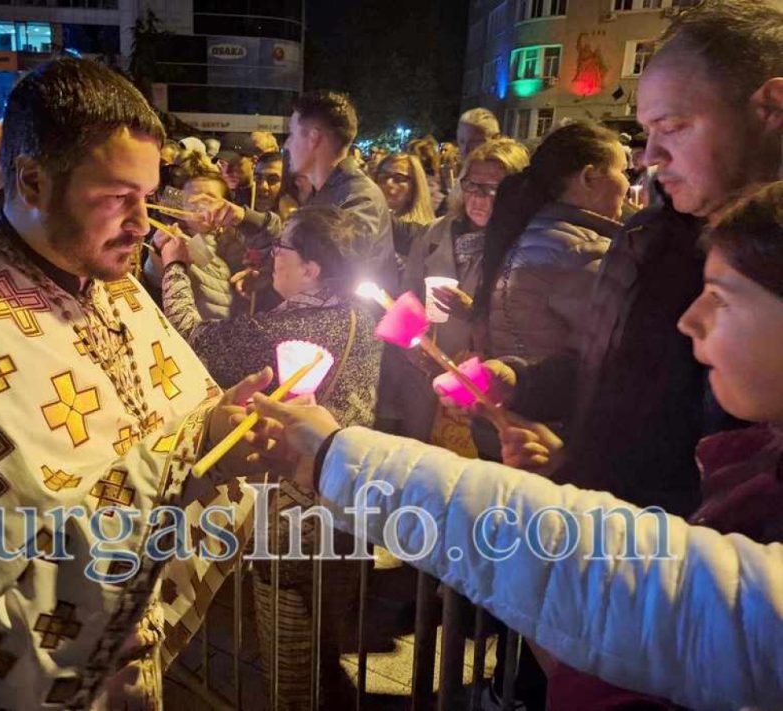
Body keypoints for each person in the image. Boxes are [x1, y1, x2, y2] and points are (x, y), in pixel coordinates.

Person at [251, 182, 783, 711]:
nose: (690, 320)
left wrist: (340, 456)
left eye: (722, 295)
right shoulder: (743, 459)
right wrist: (559, 455)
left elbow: (652, 593)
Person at [0, 56, 274, 710]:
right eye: (116, 199)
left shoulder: (116, 289)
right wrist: (197, 450)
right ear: (32, 181)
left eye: (149, 197)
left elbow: (184, 418)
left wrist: (233, 423)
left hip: (122, 661)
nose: (144, 225)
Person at [488, 0, 782, 516]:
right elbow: (610, 369)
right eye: (648, 131)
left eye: (672, 126)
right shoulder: (644, 235)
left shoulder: (764, 268)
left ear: (772, 108)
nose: (649, 157)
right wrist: (527, 386)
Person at [160, 205, 383, 707]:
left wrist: (174, 265)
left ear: (312, 270)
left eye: (282, 250)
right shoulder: (358, 313)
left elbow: (193, 340)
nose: (271, 257)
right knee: (328, 652)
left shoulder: (284, 331)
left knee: (292, 663)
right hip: (350, 500)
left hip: (293, 519)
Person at [387, 138, 529, 442]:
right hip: (424, 383)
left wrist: (473, 313)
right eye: (471, 185)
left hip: (478, 387)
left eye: (493, 189)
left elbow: (522, 330)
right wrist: (412, 347)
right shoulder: (435, 233)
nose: (479, 197)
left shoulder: (522, 246)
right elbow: (405, 299)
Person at [200, 91, 398, 291]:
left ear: (314, 138)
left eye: (293, 134)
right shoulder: (324, 192)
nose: (287, 145)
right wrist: (268, 272)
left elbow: (325, 268)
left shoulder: (357, 198)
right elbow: (300, 248)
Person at [470, 121, 628, 362]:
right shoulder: (579, 252)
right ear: (589, 177)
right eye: (623, 171)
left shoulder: (533, 234)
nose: (627, 185)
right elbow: (626, 345)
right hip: (558, 396)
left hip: (528, 391)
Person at [144, 168, 244, 320]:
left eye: (209, 198)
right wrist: (157, 251)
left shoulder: (235, 242)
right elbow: (154, 278)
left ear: (226, 205)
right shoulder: (176, 240)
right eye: (192, 198)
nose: (200, 205)